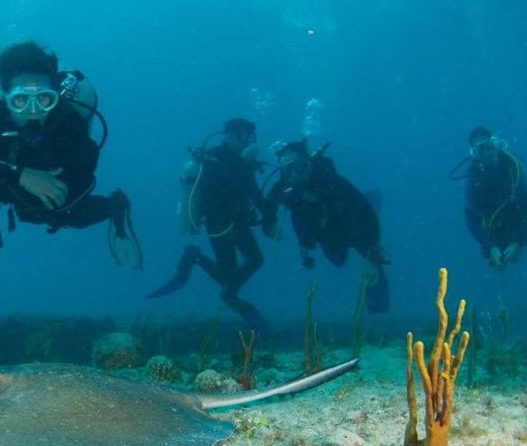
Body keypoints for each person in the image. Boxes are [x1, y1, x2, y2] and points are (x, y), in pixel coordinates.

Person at [0, 40, 142, 268]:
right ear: (5, 95)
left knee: (69, 217)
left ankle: (117, 206)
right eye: (20, 99)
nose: (33, 109)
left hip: (63, 201)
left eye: (44, 98)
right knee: (28, 208)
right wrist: (21, 175)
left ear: (55, 94)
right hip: (16, 189)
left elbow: (77, 177)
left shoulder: (67, 121)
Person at [146, 118, 271, 337]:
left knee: (254, 260)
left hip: (238, 222)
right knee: (229, 276)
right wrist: (243, 162)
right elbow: (217, 191)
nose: (249, 141)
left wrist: (270, 217)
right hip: (218, 224)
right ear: (230, 136)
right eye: (244, 136)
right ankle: (202, 266)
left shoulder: (244, 162)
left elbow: (253, 192)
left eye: (252, 137)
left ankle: (225, 290)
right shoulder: (214, 157)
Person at [263, 138, 390, 314]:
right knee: (339, 261)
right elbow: (267, 205)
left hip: (347, 224)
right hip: (323, 232)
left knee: (364, 243)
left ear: (308, 163)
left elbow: (363, 208)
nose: (293, 174)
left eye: (297, 166)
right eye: (287, 169)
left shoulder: (330, 179)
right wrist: (269, 223)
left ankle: (370, 257)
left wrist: (372, 254)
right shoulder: (283, 185)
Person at [461, 127, 527, 269]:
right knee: (499, 262)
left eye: (488, 147)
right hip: (495, 225)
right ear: (474, 154)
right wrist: (489, 246)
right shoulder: (474, 180)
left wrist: (519, 242)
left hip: (519, 216)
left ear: (495, 145)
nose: (486, 154)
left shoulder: (513, 167)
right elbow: (471, 220)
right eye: (480, 150)